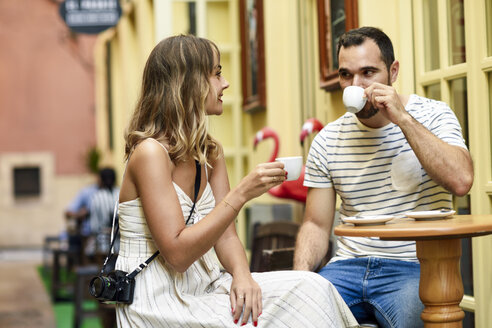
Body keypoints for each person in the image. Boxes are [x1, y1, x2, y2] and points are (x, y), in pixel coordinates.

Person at [115, 35, 358, 328]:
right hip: (159, 300)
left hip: (207, 286)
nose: (225, 83)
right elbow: (177, 255)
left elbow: (226, 236)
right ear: (188, 83)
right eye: (216, 74)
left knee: (313, 287)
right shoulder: (150, 153)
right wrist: (242, 193)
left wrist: (242, 275)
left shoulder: (210, 152)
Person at [293, 26, 473, 328]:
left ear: (393, 71)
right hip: (346, 268)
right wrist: (300, 280)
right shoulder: (328, 139)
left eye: (368, 72)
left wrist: (401, 118)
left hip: (414, 267)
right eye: (346, 75)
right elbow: (315, 223)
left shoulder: (433, 115)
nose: (357, 85)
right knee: (296, 317)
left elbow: (461, 181)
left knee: (415, 319)